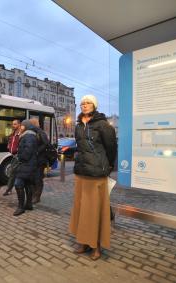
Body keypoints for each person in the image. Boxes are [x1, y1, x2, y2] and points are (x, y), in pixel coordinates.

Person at [69, 94, 117, 261]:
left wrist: (107, 166)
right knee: (82, 210)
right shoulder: (77, 126)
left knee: (95, 210)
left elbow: (111, 149)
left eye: (88, 103)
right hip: (82, 172)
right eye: (82, 103)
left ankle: (96, 245)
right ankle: (83, 241)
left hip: (97, 174)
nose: (85, 105)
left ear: (94, 105)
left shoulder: (103, 125)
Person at [13, 120, 38, 216]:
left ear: (25, 127)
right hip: (28, 164)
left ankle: (21, 207)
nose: (20, 127)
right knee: (27, 184)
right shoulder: (28, 135)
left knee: (18, 184)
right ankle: (28, 204)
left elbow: (28, 151)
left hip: (26, 164)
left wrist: (20, 157)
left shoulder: (29, 136)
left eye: (22, 126)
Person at [29, 118, 49, 204]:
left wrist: (37, 151)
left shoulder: (40, 132)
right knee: (33, 178)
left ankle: (37, 197)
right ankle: (34, 195)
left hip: (40, 160)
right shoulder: (32, 132)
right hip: (34, 160)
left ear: (33, 124)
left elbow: (46, 143)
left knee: (38, 179)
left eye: (30, 123)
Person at [3, 119, 21, 196]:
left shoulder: (21, 134)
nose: (13, 126)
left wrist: (18, 150)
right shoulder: (12, 134)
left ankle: (9, 189)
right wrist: (9, 146)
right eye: (13, 124)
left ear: (19, 125)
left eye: (15, 124)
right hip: (13, 156)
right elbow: (10, 142)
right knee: (13, 173)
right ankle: (9, 189)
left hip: (19, 156)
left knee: (13, 172)